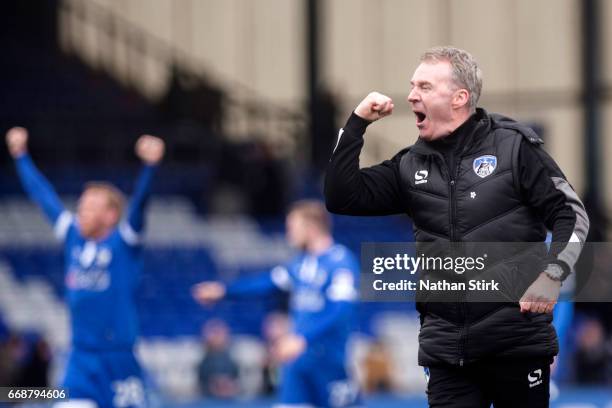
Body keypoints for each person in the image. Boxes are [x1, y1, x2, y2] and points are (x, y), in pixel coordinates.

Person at [324, 46, 589, 408]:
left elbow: (571, 213)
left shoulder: (514, 148)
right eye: (412, 85)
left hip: (516, 345)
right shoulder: (408, 165)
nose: (411, 95)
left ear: (459, 98)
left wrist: (553, 274)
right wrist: (356, 123)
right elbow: (341, 196)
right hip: (446, 353)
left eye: (425, 86)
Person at [6, 127, 165, 408]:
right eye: (81, 205)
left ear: (111, 215)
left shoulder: (123, 243)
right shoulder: (73, 237)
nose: (81, 211)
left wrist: (150, 168)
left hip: (118, 360)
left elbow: (140, 208)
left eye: (90, 206)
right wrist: (20, 156)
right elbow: (44, 198)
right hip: (80, 360)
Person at [193, 200, 361, 408]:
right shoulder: (300, 264)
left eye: (292, 227)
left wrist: (302, 339)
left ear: (311, 227)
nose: (289, 233)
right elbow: (267, 283)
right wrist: (225, 291)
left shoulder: (340, 262)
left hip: (328, 362)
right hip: (297, 362)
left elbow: (340, 309)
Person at [197, 319, 240, 399]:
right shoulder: (204, 361)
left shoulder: (231, 359)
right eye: (213, 333)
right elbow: (202, 377)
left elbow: (235, 376)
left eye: (219, 333)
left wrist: (227, 384)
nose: (216, 337)